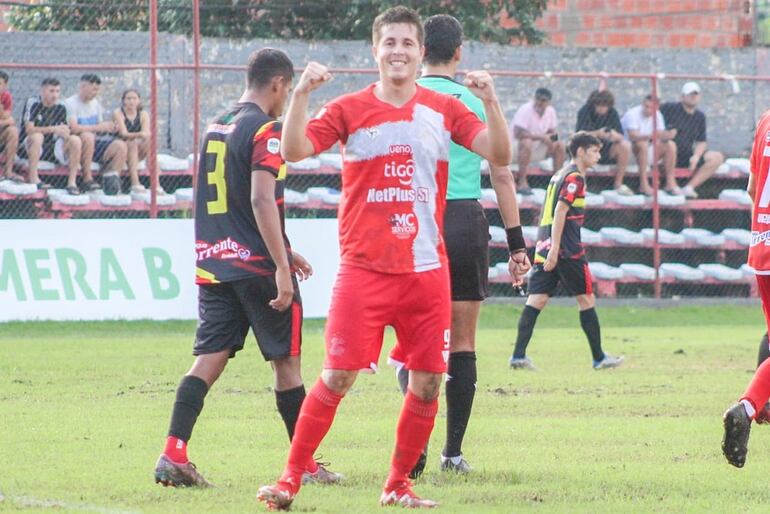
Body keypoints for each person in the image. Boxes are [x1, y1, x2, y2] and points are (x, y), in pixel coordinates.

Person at [256, 6, 512, 510]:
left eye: (407, 44)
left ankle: (397, 485)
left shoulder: (444, 107)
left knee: (429, 378)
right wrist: (303, 95)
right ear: (375, 51)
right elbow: (293, 151)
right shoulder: (350, 108)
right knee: (338, 375)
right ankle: (289, 479)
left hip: (425, 270)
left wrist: (492, 102)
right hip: (364, 271)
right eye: (389, 42)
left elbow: (499, 155)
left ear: (421, 54)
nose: (398, 51)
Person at [153, 48, 340, 488]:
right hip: (257, 269)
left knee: (207, 361)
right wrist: (279, 265)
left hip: (217, 264)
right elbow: (259, 197)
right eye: (288, 90)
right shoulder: (267, 128)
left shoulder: (216, 127)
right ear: (278, 85)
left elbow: (231, 200)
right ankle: (305, 466)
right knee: (287, 366)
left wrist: (285, 250)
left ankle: (173, 453)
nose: (286, 97)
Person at [393, 13, 530, 478]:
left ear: (419, 49)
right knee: (463, 343)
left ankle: (414, 443)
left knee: (415, 342)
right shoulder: (474, 100)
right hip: (463, 220)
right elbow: (502, 172)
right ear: (459, 52)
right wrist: (517, 245)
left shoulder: (406, 98)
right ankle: (452, 453)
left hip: (413, 221)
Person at [508, 132, 624, 371]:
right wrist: (556, 249)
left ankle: (518, 356)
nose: (598, 156)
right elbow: (560, 211)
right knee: (586, 299)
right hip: (566, 250)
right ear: (580, 151)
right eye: (594, 151)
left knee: (536, 300)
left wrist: (547, 247)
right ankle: (599, 358)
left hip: (545, 246)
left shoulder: (558, 174)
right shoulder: (575, 177)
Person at [722, 109, 770, 468]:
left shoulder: (765, 121)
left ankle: (756, 403)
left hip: (762, 247)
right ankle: (749, 405)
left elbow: (753, 188)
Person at [64, 74, 127, 195]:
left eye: (97, 89)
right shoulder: (70, 103)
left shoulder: (96, 104)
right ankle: (87, 179)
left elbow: (99, 128)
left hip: (95, 143)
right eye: (94, 89)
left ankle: (111, 182)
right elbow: (74, 128)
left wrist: (109, 127)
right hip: (77, 145)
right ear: (83, 86)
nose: (96, 92)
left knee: (120, 145)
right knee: (87, 136)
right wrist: (99, 127)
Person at [660, 82, 724, 199]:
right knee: (670, 146)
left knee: (717, 157)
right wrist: (665, 134)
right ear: (682, 97)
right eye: (690, 94)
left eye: (696, 94)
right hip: (668, 154)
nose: (693, 97)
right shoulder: (670, 108)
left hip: (687, 155)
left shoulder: (700, 116)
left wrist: (696, 156)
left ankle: (689, 187)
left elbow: (701, 141)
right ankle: (670, 184)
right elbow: (655, 122)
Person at [17, 78, 82, 193]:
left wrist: (65, 133)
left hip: (53, 147)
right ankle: (34, 178)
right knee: (37, 136)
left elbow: (65, 129)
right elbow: (29, 129)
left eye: (57, 91)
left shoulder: (61, 106)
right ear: (42, 91)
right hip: (31, 147)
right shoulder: (33, 103)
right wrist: (53, 129)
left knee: (75, 140)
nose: (55, 95)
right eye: (51, 91)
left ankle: (72, 183)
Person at [575, 89, 633, 195]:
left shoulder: (612, 112)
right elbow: (579, 135)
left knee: (625, 146)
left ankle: (618, 184)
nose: (602, 108)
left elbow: (621, 135)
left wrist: (614, 135)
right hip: (588, 149)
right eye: (599, 105)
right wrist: (597, 133)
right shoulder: (584, 111)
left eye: (605, 105)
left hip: (607, 149)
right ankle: (581, 185)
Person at [509, 87, 566, 195]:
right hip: (514, 149)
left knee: (560, 145)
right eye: (538, 99)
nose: (539, 103)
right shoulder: (525, 109)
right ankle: (522, 182)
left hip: (535, 150)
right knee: (527, 142)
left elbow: (552, 131)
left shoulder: (551, 112)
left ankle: (557, 184)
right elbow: (518, 133)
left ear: (549, 103)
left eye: (543, 101)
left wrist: (551, 140)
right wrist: (542, 137)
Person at [620, 95, 677, 196]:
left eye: (652, 108)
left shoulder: (658, 115)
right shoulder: (632, 114)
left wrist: (668, 135)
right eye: (646, 106)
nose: (648, 110)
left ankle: (670, 183)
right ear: (642, 104)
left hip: (648, 149)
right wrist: (652, 136)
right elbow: (633, 135)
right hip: (630, 152)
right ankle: (643, 183)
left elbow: (660, 134)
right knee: (642, 144)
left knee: (671, 145)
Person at [113, 89, 152, 193]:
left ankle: (156, 184)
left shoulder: (143, 114)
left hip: (139, 149)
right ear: (123, 101)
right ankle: (135, 182)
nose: (131, 101)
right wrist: (139, 135)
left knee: (150, 142)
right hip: (122, 150)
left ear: (139, 100)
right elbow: (124, 134)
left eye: (134, 98)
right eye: (128, 98)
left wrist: (142, 136)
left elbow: (147, 133)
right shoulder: (118, 112)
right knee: (132, 143)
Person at [0, 70, 22, 182]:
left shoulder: (6, 97)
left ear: (5, 86)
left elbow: (9, 118)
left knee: (13, 131)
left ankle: (8, 171)